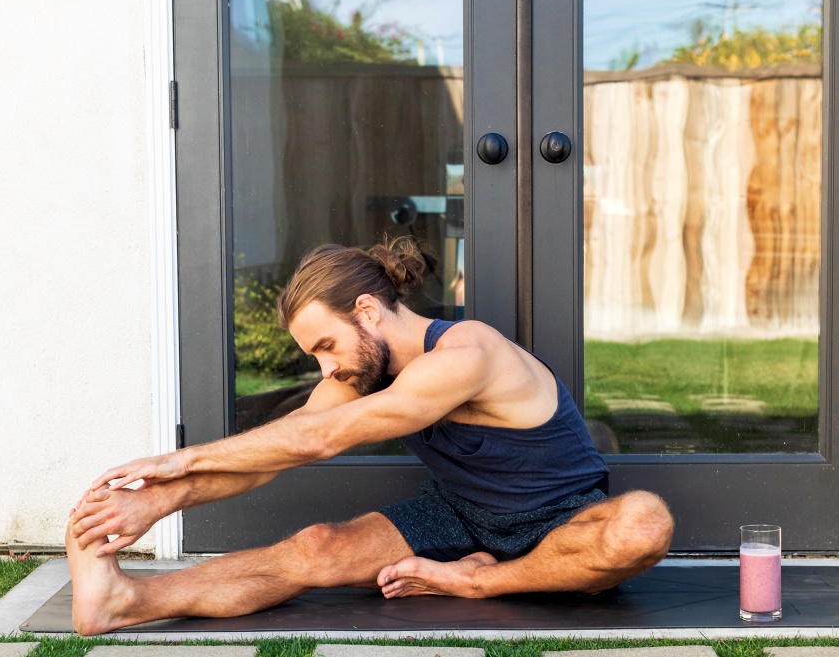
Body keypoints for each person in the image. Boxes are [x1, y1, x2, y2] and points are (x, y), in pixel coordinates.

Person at [67, 239, 673, 634]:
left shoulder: (469, 353)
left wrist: (177, 463)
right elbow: (282, 448)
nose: (326, 369)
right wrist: (156, 499)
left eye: (326, 346)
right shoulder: (365, 368)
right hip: (464, 516)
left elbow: (319, 440)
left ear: (367, 310)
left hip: (562, 522)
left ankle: (477, 580)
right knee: (317, 548)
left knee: (643, 524)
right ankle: (125, 602)